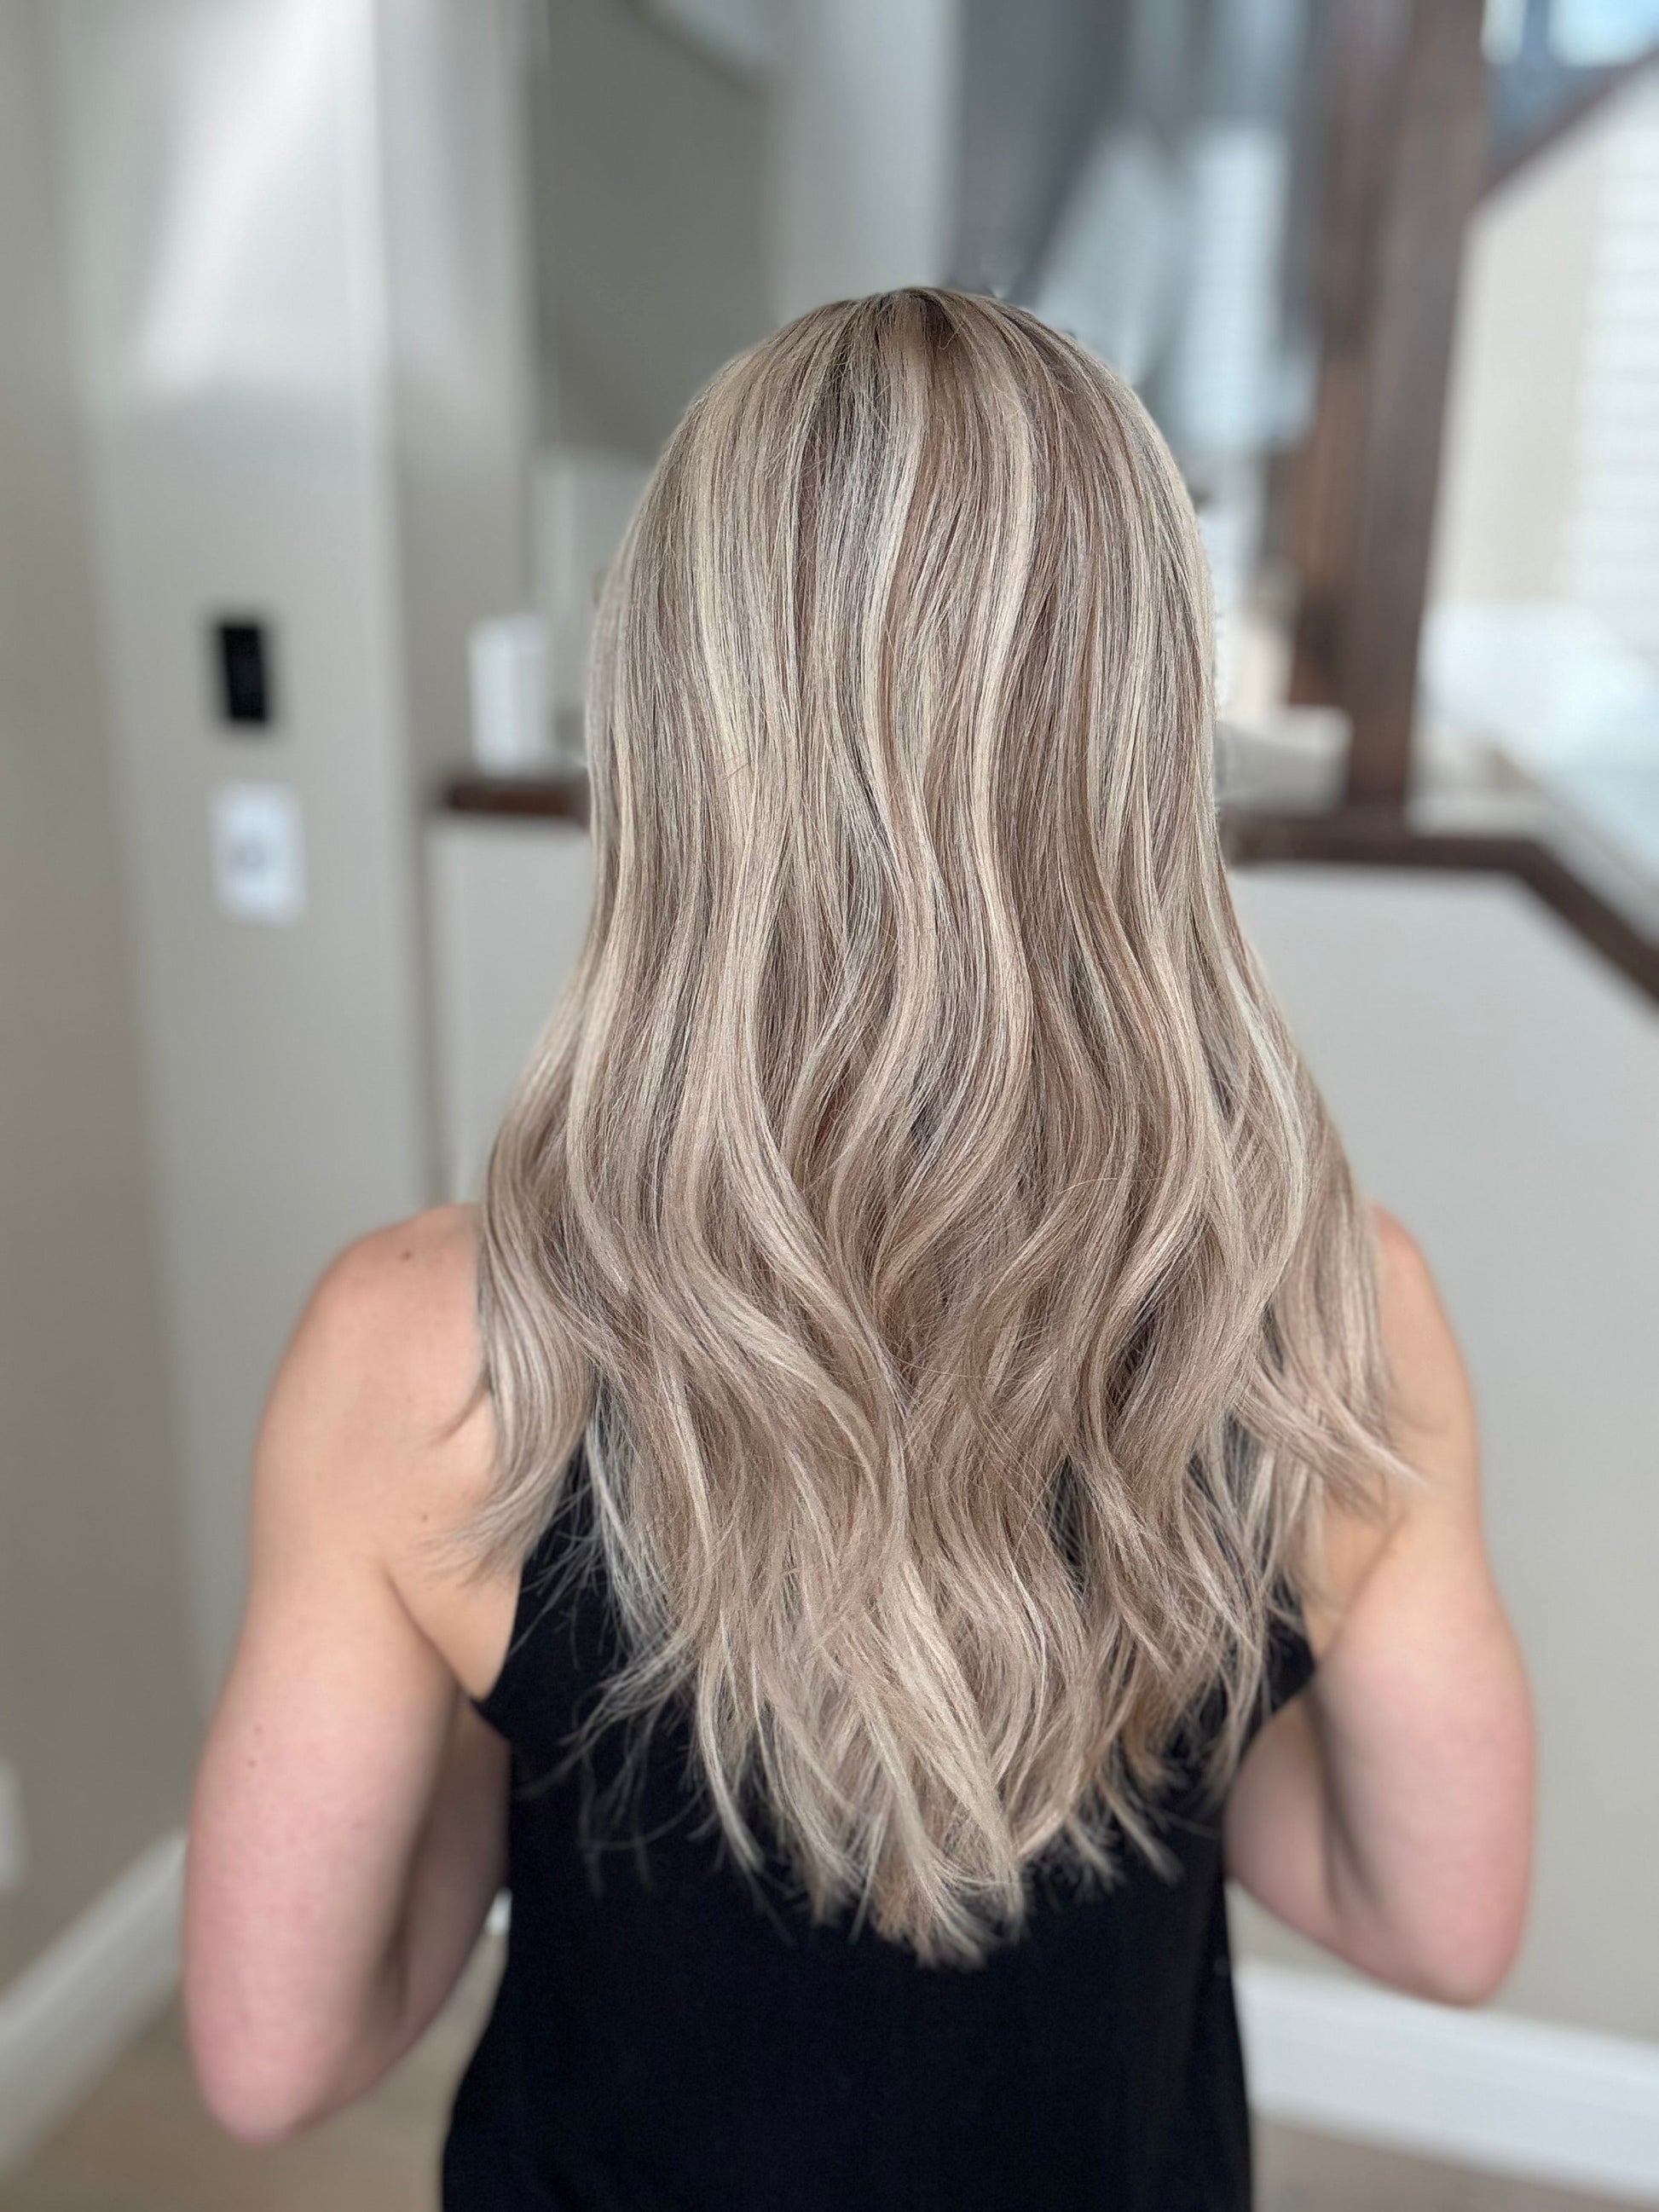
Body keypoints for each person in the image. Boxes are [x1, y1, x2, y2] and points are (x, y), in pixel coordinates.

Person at [182, 288, 1534, 2209]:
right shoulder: (1330, 1320)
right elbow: (1435, 1918)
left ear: (674, 726)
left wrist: (491, 1705)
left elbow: (274, 2051)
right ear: (1147, 738)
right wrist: (1118, 1693)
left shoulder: (425, 1359)